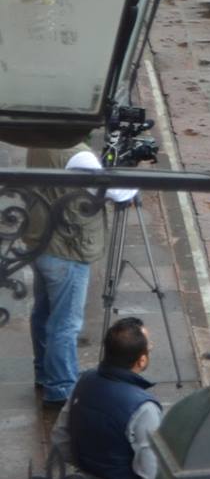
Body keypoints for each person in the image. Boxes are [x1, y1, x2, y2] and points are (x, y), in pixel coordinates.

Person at [25, 145, 140, 411]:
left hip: (41, 241)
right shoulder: (78, 155)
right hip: (67, 249)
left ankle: (44, 372)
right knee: (65, 324)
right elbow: (117, 191)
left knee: (42, 312)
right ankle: (61, 388)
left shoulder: (40, 140)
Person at [50, 318, 160, 479]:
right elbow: (152, 475)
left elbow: (59, 439)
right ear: (142, 360)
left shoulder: (84, 381)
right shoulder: (144, 408)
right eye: (150, 348)